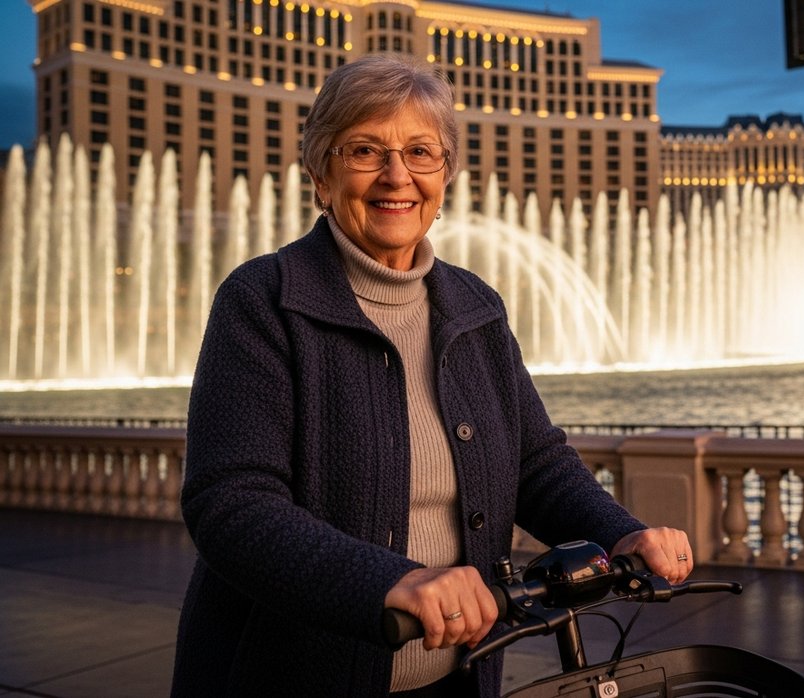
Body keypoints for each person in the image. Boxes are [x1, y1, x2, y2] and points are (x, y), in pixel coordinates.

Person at [171, 53, 693, 698]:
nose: (398, 176)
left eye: (422, 152)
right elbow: (231, 504)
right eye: (365, 150)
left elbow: (536, 463)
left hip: (463, 673)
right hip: (289, 677)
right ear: (321, 175)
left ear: (445, 175)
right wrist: (390, 581)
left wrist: (622, 534)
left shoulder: (474, 306)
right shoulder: (264, 298)